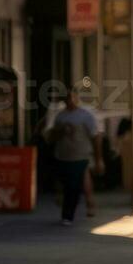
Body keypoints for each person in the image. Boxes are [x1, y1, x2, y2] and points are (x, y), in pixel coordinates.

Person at [44, 87, 103, 226]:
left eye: (72, 97)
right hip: (63, 156)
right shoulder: (60, 116)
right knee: (66, 184)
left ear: (77, 98)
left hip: (80, 157)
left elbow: (96, 136)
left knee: (73, 186)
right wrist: (61, 131)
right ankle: (69, 209)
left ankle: (68, 215)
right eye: (67, 98)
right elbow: (52, 138)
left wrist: (98, 158)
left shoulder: (85, 116)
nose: (70, 100)